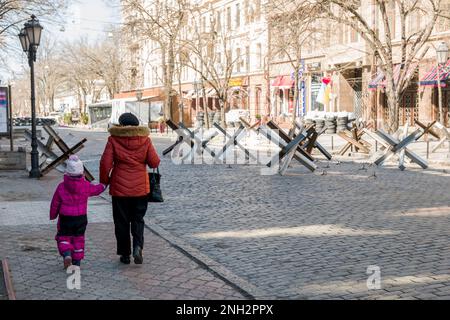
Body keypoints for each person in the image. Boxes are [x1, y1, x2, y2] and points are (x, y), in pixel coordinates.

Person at [100, 113, 160, 265]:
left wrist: (105, 181)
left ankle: (125, 254)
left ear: (120, 124)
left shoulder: (113, 139)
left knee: (121, 222)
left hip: (119, 189)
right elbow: (154, 163)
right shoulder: (145, 140)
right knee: (138, 219)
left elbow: (105, 163)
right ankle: (138, 247)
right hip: (140, 189)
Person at [50, 155, 106, 269]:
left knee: (63, 237)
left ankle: (66, 255)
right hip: (81, 218)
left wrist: (53, 215)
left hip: (65, 218)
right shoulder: (85, 185)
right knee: (79, 239)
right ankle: (77, 262)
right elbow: (96, 190)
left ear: (67, 173)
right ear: (82, 173)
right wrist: (104, 185)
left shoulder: (61, 187)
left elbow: (55, 203)